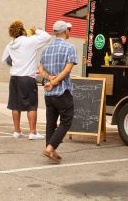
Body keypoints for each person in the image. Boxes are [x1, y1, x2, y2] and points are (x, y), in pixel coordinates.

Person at [1, 19, 51, 140]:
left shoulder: (10, 45)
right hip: (27, 78)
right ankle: (32, 132)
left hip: (14, 77)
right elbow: (47, 36)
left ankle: (17, 131)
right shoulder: (30, 41)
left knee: (15, 105)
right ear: (23, 31)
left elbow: (4, 61)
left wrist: (16, 63)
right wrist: (36, 30)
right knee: (31, 105)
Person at [39, 20, 77, 163]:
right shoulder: (70, 48)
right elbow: (67, 70)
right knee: (66, 121)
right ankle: (49, 148)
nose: (70, 32)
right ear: (66, 31)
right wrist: (54, 82)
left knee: (51, 122)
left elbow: (41, 70)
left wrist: (49, 79)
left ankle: (51, 150)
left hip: (49, 93)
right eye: (69, 29)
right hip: (62, 91)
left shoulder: (46, 48)